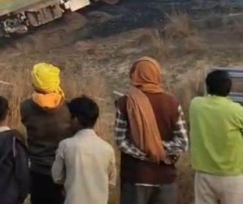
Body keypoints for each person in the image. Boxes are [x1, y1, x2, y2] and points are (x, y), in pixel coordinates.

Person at [114, 57, 188, 204]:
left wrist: (145, 152)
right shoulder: (172, 102)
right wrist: (159, 150)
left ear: (134, 74)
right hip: (165, 178)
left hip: (136, 177)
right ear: (157, 75)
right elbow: (182, 143)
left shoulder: (126, 102)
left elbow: (121, 140)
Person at [20, 63, 72, 204]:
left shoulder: (26, 107)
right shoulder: (67, 108)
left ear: (35, 83)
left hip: (37, 168)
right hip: (62, 169)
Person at [189, 70, 243, 204]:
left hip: (203, 172)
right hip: (232, 173)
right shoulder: (236, 110)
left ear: (207, 87)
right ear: (229, 88)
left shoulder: (196, 105)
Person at [52, 96, 116, 204]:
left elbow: (57, 177)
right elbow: (111, 181)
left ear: (75, 120)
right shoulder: (107, 148)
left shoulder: (66, 145)